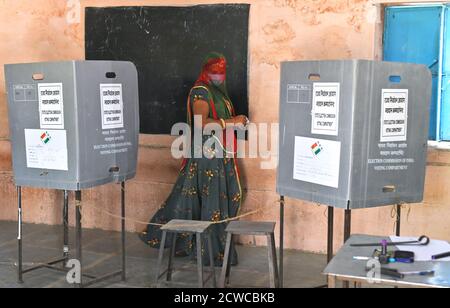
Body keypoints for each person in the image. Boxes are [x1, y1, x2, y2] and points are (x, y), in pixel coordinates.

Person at [140, 52, 248, 266]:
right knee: (211, 201)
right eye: (214, 72)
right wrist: (233, 122)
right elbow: (201, 124)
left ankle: (207, 247)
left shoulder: (218, 93)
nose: (218, 76)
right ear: (206, 72)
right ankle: (209, 251)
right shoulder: (201, 91)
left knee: (222, 197)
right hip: (207, 156)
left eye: (222, 72)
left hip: (220, 153)